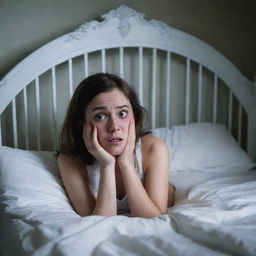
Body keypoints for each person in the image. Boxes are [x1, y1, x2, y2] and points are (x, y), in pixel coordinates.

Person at [58, 73, 175, 218]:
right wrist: (107, 165)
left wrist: (126, 164)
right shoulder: (70, 161)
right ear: (82, 122)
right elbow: (98, 221)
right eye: (100, 116)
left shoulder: (154, 149)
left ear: (135, 116)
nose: (114, 126)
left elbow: (154, 219)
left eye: (122, 113)